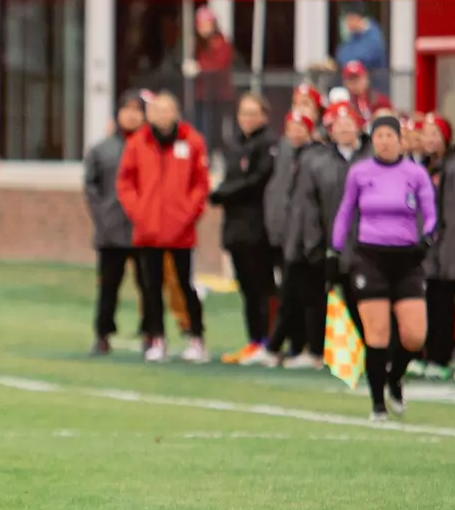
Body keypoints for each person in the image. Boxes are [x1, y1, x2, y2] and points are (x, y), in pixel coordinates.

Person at [332, 113, 437, 421]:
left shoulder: (414, 173)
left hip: (407, 259)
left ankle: (395, 377)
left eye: (390, 136)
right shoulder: (360, 172)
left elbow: (430, 214)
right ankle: (378, 403)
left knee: (415, 335)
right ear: (372, 140)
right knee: (377, 333)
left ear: (399, 140)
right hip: (370, 257)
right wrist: (334, 251)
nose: (384, 141)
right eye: (378, 136)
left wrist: (427, 238)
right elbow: (345, 212)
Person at [117, 91, 211, 363]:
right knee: (150, 287)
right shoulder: (137, 143)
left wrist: (186, 214)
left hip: (181, 231)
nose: (161, 114)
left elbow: (200, 184)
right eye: (157, 109)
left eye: (167, 109)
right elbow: (126, 183)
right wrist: (139, 212)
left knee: (185, 285)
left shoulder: (192, 142)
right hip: (148, 230)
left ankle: (196, 337)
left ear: (176, 112)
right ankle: (156, 337)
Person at [211, 93, 281, 365]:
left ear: (264, 115)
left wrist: (222, 194)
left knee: (263, 287)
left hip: (259, 227)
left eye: (253, 113)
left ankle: (270, 341)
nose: (247, 118)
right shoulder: (236, 144)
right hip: (236, 227)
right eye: (243, 113)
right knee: (247, 288)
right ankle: (254, 341)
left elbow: (257, 181)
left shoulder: (268, 145)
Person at [290, 103, 368, 342]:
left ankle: (378, 351)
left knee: (369, 303)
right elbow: (310, 208)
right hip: (334, 246)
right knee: (328, 301)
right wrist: (314, 246)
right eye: (339, 125)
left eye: (349, 124)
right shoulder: (317, 162)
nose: (344, 129)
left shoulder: (372, 159)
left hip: (369, 246)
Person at [85, 90, 146, 355]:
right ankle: (103, 333)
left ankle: (151, 332)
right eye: (126, 109)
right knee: (108, 285)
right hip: (110, 229)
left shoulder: (150, 149)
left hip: (144, 230)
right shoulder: (102, 150)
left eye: (137, 110)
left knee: (148, 285)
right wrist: (102, 216)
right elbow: (91, 186)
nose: (131, 115)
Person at [262, 110, 324, 369]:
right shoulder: (287, 154)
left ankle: (311, 349)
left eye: (301, 127)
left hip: (307, 239)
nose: (295, 132)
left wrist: (310, 239)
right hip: (291, 236)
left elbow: (309, 204)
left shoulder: (314, 158)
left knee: (307, 296)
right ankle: (291, 346)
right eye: (291, 127)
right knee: (292, 295)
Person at [425, 118, 455, 381]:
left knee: (444, 303)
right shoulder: (429, 165)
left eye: (435, 133)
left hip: (447, 247)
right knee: (435, 302)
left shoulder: (451, 168)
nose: (430, 138)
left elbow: (450, 215)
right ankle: (434, 354)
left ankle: (442, 356)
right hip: (435, 247)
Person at [186, 6, 236, 155]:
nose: (204, 28)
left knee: (214, 130)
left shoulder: (220, 42)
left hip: (218, 96)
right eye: (201, 25)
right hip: (201, 95)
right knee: (201, 128)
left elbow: (220, 65)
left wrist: (199, 68)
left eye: (207, 24)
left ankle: (216, 156)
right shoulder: (197, 44)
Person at [334, 4, 388, 92]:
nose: (348, 24)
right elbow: (341, 54)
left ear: (358, 18)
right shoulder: (351, 37)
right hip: (353, 87)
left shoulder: (374, 36)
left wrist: (347, 61)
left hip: (374, 89)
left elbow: (362, 58)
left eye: (350, 19)